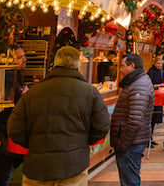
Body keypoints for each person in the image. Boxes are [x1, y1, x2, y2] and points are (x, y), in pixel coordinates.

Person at [8, 46, 110, 186]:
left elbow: (14, 129)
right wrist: (81, 143)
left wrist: (34, 145)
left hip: (37, 166)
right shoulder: (90, 93)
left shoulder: (33, 93)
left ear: (55, 63)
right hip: (74, 165)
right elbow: (102, 126)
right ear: (78, 64)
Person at [110, 53, 155, 186]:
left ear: (132, 66)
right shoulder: (136, 82)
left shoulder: (139, 86)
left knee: (129, 181)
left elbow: (135, 121)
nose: (120, 69)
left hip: (132, 143)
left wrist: (123, 143)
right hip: (132, 142)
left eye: (123, 66)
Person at [0, 46, 28, 186]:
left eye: (23, 56)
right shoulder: (6, 77)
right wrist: (25, 96)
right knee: (3, 172)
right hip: (4, 129)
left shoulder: (16, 76)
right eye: (20, 57)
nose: (24, 60)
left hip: (11, 129)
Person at [147, 55, 164, 147]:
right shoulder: (151, 72)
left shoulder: (160, 71)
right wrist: (159, 85)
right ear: (154, 63)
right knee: (150, 118)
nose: (159, 65)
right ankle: (148, 138)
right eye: (157, 63)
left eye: (160, 63)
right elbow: (149, 84)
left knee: (154, 119)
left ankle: (151, 138)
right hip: (152, 97)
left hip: (159, 97)